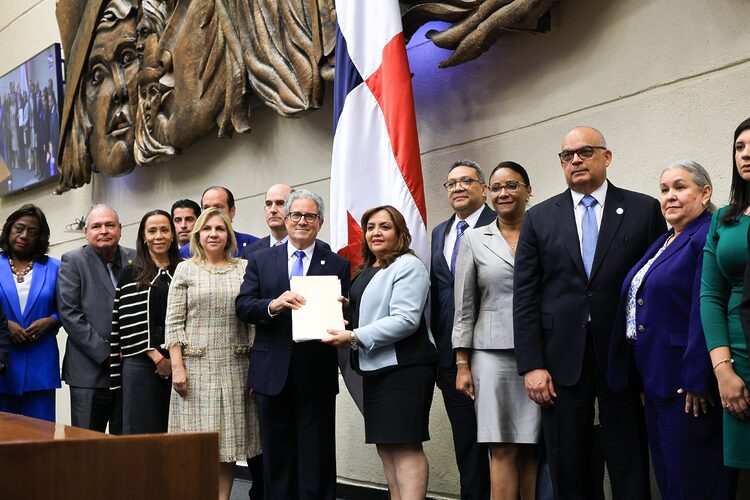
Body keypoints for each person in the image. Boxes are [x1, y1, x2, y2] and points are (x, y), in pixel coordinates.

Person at [513, 126, 665, 499]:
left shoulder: (643, 209)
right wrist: (532, 364)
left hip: (624, 358)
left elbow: (656, 289)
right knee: (569, 462)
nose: (576, 161)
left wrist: (653, 364)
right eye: (567, 156)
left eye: (585, 152)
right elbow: (525, 296)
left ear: (606, 157)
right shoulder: (541, 217)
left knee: (629, 456)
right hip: (560, 361)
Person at [610, 161, 737, 499]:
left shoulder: (706, 234)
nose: (669, 196)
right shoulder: (665, 240)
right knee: (671, 479)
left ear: (705, 192)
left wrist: (697, 379)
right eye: (664, 189)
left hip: (686, 384)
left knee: (696, 480)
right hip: (655, 381)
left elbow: (704, 309)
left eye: (680, 187)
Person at [235, 190, 350, 500]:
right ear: (285, 220)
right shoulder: (260, 259)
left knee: (317, 453)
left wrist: (345, 310)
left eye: (310, 216)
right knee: (277, 454)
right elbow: (243, 306)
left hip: (316, 372)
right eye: (296, 215)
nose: (302, 221)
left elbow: (347, 313)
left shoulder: (337, 263)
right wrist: (273, 304)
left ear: (320, 222)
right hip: (272, 373)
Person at [324, 205, 436, 500]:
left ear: (400, 233)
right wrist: (348, 309)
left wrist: (355, 335)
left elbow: (405, 320)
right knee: (386, 446)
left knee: (405, 444)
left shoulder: (408, 265)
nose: (376, 232)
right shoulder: (370, 268)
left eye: (385, 226)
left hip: (404, 369)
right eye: (371, 227)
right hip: (375, 368)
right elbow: (375, 309)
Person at [452, 162, 541, 500]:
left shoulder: (543, 231)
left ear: (528, 191)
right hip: (490, 355)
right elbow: (464, 306)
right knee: (501, 446)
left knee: (533, 447)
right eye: (497, 187)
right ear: (488, 193)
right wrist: (462, 362)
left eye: (513, 185)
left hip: (537, 355)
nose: (504, 192)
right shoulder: (474, 238)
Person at [164, 207, 260, 500]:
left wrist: (257, 369)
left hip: (236, 367)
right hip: (196, 370)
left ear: (229, 234)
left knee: (227, 446)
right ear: (198, 236)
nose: (213, 234)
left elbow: (254, 321)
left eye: (219, 228)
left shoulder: (244, 267)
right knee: (199, 445)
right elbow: (173, 323)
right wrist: (177, 367)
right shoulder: (185, 269)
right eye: (207, 229)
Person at [430, 159, 495, 499]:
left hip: (493, 351)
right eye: (451, 183)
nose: (457, 187)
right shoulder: (440, 232)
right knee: (466, 441)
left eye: (466, 181)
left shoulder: (501, 223)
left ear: (483, 188)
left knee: (501, 443)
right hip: (449, 356)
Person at [58, 205, 135, 433]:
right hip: (89, 372)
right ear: (86, 232)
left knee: (127, 447)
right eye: (96, 226)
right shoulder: (73, 260)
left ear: (120, 229)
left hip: (131, 370)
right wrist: (108, 353)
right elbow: (70, 314)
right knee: (87, 449)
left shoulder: (137, 258)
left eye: (110, 225)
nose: (104, 230)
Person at [703, 116, 750, 469]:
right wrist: (723, 371)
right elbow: (711, 296)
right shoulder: (724, 220)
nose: (745, 155)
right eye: (739, 147)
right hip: (738, 358)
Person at [110, 209, 181, 434]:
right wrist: (158, 358)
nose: (158, 236)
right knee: (142, 435)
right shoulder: (131, 273)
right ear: (143, 236)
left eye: (164, 230)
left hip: (182, 362)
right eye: (152, 231)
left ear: (173, 235)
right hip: (141, 362)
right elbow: (127, 323)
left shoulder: (185, 270)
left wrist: (176, 361)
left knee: (178, 436)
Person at [0, 204, 61, 421]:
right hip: (3, 364)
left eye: (32, 232)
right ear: (8, 230)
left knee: (41, 442)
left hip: (40, 364)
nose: (24, 235)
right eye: (19, 228)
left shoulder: (55, 268)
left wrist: (52, 321)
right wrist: (5, 326)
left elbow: (68, 309)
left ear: (40, 237)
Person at [179, 186, 258, 258]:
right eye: (206, 208)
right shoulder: (185, 253)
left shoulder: (255, 246)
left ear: (232, 211)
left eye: (218, 207)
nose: (211, 212)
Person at [243, 184, 293, 255]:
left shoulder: (308, 247)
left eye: (280, 203)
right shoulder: (250, 251)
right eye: (269, 204)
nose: (272, 210)